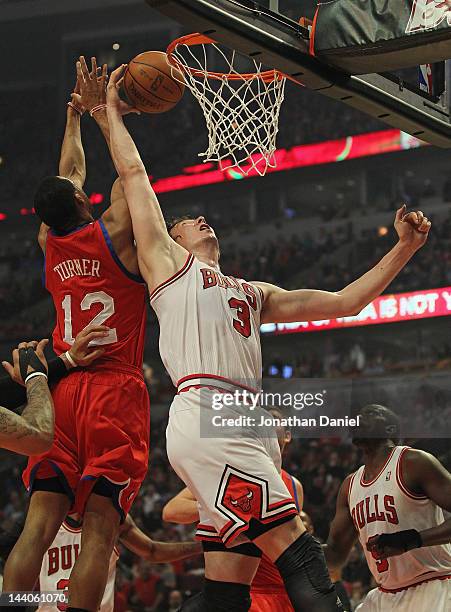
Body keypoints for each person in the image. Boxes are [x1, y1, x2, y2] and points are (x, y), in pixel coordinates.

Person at [106, 62, 431, 611]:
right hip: (211, 412)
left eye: (202, 218)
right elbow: (135, 177)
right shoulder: (166, 265)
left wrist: (404, 249)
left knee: (227, 590)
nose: (201, 220)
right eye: (188, 220)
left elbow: (345, 302)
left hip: (245, 420)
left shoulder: (253, 291)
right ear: (169, 237)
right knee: (300, 555)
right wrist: (109, 112)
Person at [3, 57, 148, 612]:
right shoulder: (115, 234)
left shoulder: (49, 247)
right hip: (112, 388)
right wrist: (102, 113)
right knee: (100, 532)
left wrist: (72, 119)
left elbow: (69, 175)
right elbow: (127, 180)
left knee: (37, 527)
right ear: (83, 203)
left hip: (61, 389)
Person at [163, 408, 304, 612]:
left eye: (272, 420)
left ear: (288, 436)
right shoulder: (234, 472)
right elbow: (171, 510)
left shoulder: (294, 485)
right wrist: (225, 505)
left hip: (282, 592)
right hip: (246, 588)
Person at [324, 404, 451, 611]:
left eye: (371, 413)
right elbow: (335, 555)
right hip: (385, 595)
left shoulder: (413, 462)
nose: (359, 417)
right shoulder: (349, 485)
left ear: (390, 430)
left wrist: (413, 540)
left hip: (434, 584)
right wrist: (292, 540)